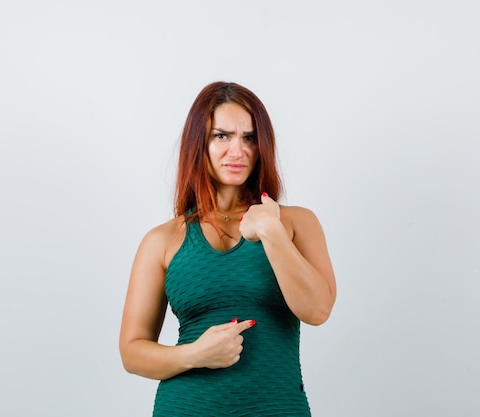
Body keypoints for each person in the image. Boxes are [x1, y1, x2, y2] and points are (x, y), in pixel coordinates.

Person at [119, 81, 337, 416]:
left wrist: (271, 232)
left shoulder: (296, 223)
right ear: (199, 144)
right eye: (222, 136)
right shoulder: (162, 240)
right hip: (185, 407)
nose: (237, 151)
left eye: (249, 138)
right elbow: (132, 352)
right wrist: (196, 354)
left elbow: (317, 310)